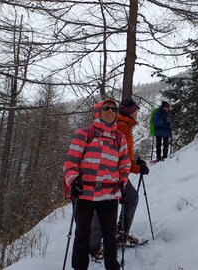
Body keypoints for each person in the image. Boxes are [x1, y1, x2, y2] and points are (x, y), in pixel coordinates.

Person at [63, 99, 130, 270]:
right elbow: (70, 163)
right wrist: (73, 181)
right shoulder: (84, 134)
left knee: (110, 236)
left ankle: (112, 266)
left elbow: (124, 165)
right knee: (82, 235)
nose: (110, 111)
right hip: (85, 193)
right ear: (98, 112)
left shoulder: (119, 138)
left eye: (113, 109)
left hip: (110, 195)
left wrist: (122, 183)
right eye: (106, 108)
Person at [89, 99, 149, 259]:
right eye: (135, 110)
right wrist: (137, 168)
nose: (137, 113)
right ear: (129, 112)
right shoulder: (122, 126)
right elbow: (117, 157)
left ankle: (119, 234)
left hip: (117, 174)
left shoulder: (125, 125)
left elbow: (125, 154)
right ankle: (94, 246)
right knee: (106, 206)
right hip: (110, 175)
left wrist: (136, 163)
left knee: (130, 199)